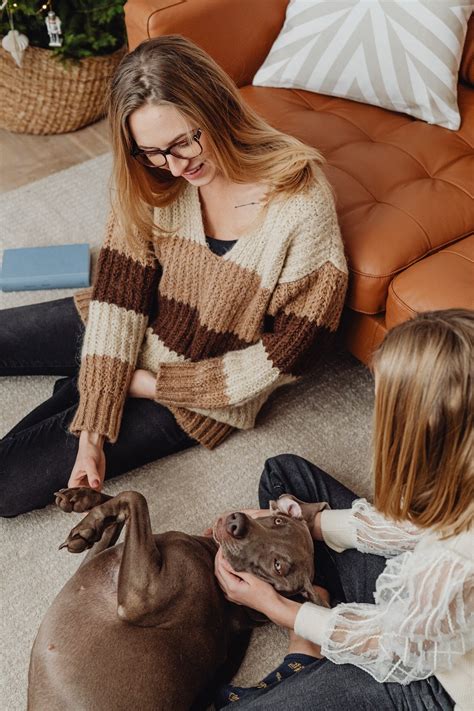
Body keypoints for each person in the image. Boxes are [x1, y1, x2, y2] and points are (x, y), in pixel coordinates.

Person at [0, 35, 348, 517]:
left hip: (193, 392)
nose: (178, 165)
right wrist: (94, 426)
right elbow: (119, 301)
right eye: (155, 151)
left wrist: (151, 386)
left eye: (185, 140)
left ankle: (79, 381)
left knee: (7, 485)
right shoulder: (151, 175)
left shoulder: (299, 204)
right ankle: (83, 382)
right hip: (128, 327)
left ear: (216, 105)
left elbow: (289, 354)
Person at [214, 309, 473, 711]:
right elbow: (416, 527)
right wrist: (312, 525)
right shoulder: (458, 475)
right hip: (426, 606)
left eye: (384, 408)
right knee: (285, 475)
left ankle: (303, 656)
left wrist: (279, 609)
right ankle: (313, 615)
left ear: (426, 433)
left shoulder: (457, 559)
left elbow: (396, 645)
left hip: (434, 677)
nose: (376, 418)